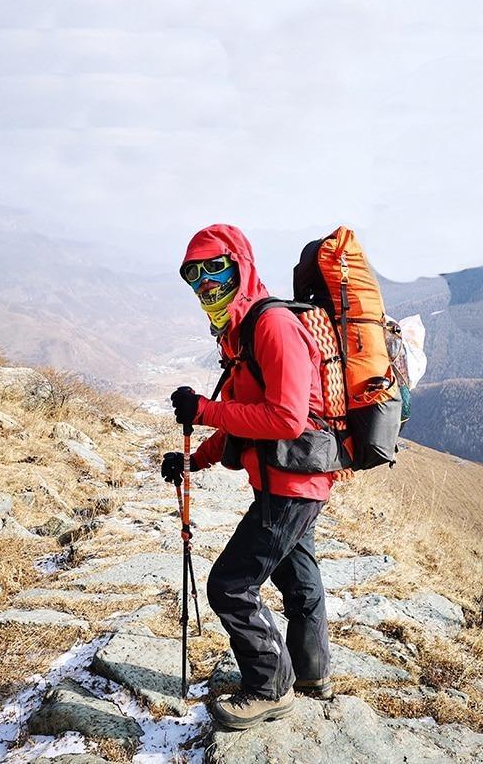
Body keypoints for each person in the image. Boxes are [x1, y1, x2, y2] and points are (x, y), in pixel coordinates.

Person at [161, 224, 333, 730]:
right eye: (193, 274)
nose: (205, 282)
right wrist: (195, 460)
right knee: (298, 581)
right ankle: (312, 675)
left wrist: (204, 410)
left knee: (230, 585)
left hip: (292, 485)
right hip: (290, 480)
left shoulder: (272, 326)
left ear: (240, 265)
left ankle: (268, 688)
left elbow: (286, 419)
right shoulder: (240, 336)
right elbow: (243, 421)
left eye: (215, 267)